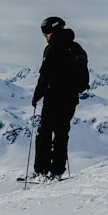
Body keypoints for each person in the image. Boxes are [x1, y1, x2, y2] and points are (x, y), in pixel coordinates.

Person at [30, 16, 82, 179]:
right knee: (61, 133)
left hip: (54, 97)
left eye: (45, 32)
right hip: (71, 98)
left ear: (50, 31)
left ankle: (41, 171)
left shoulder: (52, 48)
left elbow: (45, 74)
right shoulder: (75, 47)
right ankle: (57, 171)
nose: (45, 36)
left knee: (45, 133)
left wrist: (37, 95)